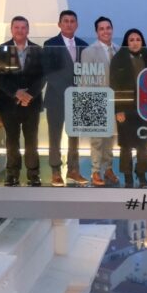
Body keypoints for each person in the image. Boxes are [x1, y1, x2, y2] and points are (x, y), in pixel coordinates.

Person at [0, 16, 45, 187]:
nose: (20, 30)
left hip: (31, 103)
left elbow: (42, 76)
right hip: (9, 104)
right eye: (17, 27)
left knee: (32, 141)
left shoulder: (38, 50)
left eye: (23, 27)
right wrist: (16, 93)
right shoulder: (1, 50)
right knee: (11, 141)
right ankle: (12, 174)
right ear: (11, 29)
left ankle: (33, 174)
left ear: (28, 30)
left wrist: (29, 95)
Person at [43, 10, 89, 186]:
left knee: (74, 137)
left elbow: (86, 72)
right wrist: (68, 92)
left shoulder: (83, 45)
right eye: (66, 21)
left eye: (72, 21)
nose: (69, 24)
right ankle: (55, 171)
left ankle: (73, 170)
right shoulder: (50, 44)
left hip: (77, 99)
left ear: (76, 24)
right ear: (59, 24)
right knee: (54, 136)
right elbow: (49, 72)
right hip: (56, 97)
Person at [110, 28, 147, 188]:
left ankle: (141, 173)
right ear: (126, 43)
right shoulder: (118, 59)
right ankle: (127, 175)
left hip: (145, 109)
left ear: (142, 42)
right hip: (125, 108)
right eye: (131, 40)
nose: (135, 43)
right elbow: (114, 86)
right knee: (126, 145)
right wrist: (117, 110)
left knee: (143, 145)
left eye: (138, 39)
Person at [80, 16, 120, 187]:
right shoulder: (89, 51)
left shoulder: (119, 49)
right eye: (102, 29)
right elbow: (85, 79)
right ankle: (95, 171)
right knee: (97, 139)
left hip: (115, 101)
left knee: (110, 138)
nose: (105, 31)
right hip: (97, 100)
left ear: (112, 29)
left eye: (108, 28)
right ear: (97, 32)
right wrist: (89, 104)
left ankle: (108, 169)